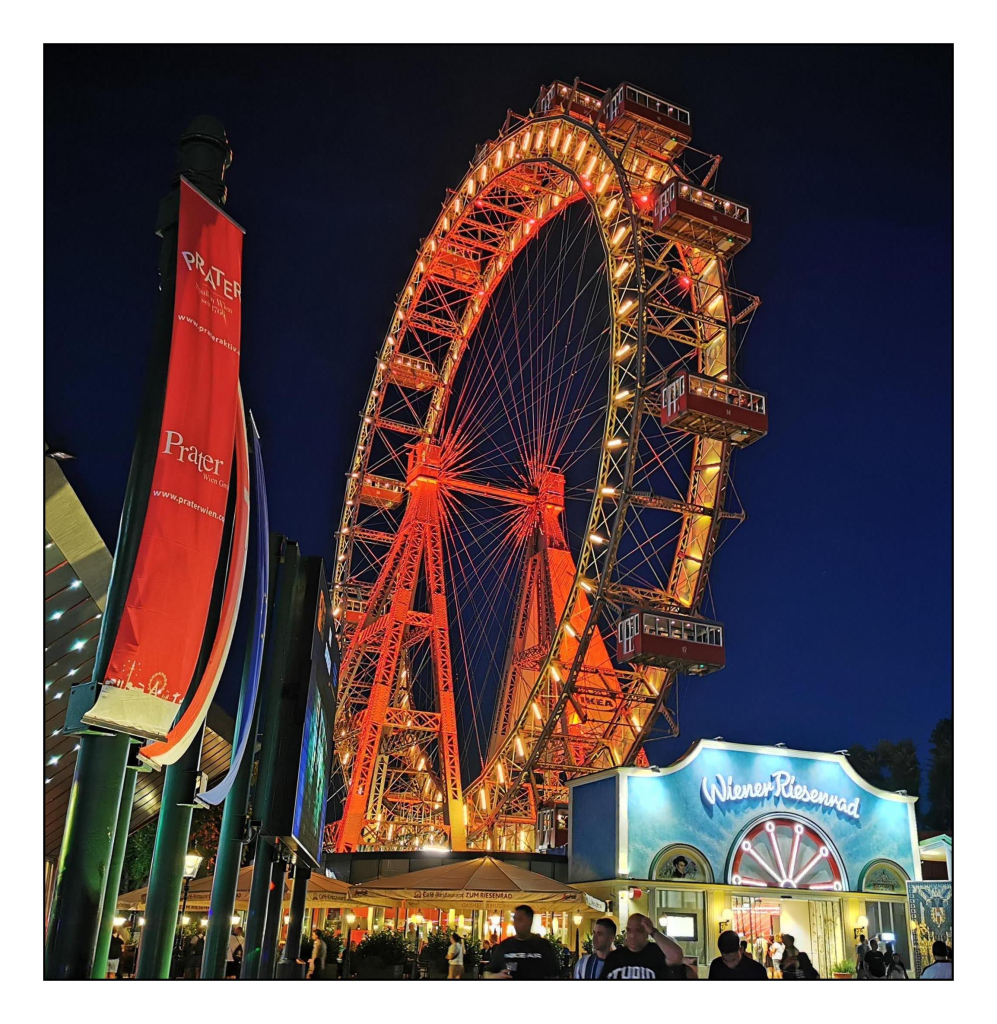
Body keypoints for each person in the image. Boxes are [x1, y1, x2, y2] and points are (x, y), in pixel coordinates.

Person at [599, 914, 685, 980]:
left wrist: (653, 932)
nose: (632, 935)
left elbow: (677, 957)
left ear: (646, 933)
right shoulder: (614, 957)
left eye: (638, 931)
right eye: (629, 931)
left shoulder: (656, 953)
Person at [484, 905, 558, 979]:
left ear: (530, 921)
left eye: (520, 920)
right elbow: (487, 973)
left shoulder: (543, 945)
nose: (515, 923)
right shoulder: (505, 945)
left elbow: (554, 974)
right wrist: (496, 976)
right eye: (515, 919)